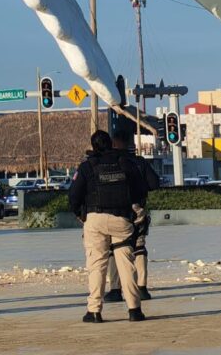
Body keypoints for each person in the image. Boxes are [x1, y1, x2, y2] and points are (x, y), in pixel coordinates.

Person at [69, 130, 148, 323]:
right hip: (122, 219)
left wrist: (80, 215)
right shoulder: (125, 163)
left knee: (97, 264)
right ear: (111, 144)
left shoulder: (87, 167)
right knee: (126, 264)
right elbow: (141, 190)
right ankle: (134, 310)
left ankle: (94, 311)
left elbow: (73, 196)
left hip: (94, 219)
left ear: (93, 146)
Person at [104, 128, 161, 302]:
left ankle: (115, 289)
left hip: (114, 209)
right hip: (137, 209)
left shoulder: (108, 162)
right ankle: (141, 287)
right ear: (130, 142)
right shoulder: (139, 162)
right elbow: (154, 183)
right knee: (139, 246)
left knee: (115, 248)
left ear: (114, 143)